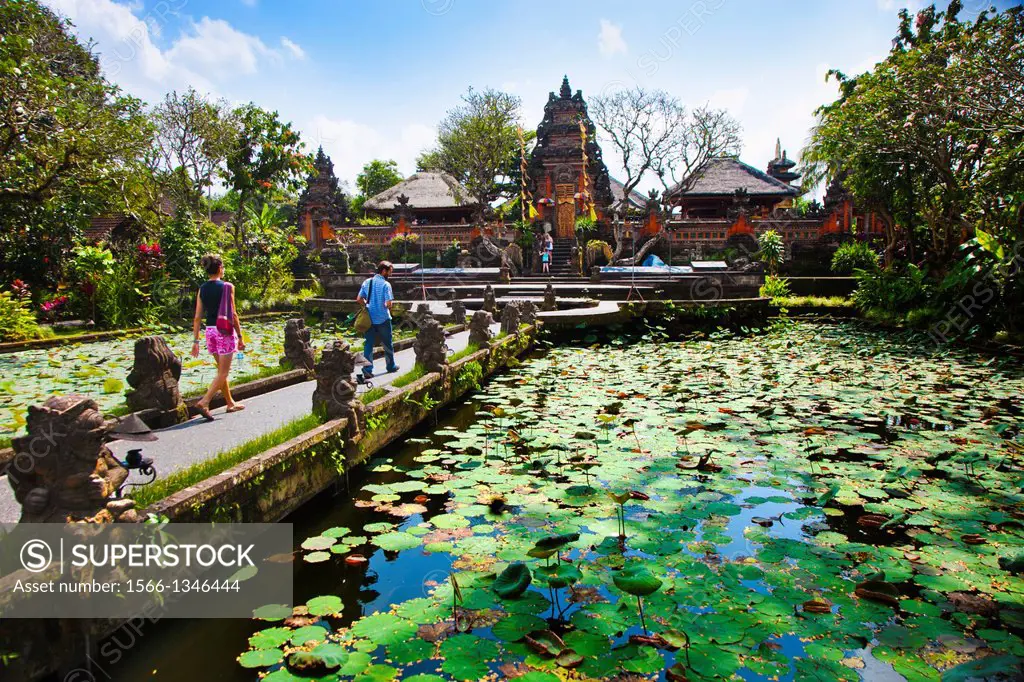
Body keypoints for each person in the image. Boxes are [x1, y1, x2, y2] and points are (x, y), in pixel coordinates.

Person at [190, 254, 245, 421]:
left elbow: (197, 317)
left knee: (221, 371)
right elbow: (233, 314)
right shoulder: (228, 286)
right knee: (223, 372)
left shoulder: (202, 288)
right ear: (220, 268)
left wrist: (196, 341)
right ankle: (204, 402)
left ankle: (230, 403)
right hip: (225, 331)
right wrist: (241, 336)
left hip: (210, 332)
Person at [356, 260, 398, 378]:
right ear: (384, 271)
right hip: (383, 318)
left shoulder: (367, 282)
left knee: (368, 344)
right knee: (387, 343)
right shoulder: (386, 285)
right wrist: (384, 306)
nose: (390, 275)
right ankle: (390, 366)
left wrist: (367, 305)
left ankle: (367, 369)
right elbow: (389, 303)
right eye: (389, 272)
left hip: (369, 319)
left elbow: (359, 299)